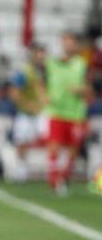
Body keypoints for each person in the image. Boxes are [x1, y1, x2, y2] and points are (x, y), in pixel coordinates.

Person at [45, 32, 90, 195]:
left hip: (76, 113)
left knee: (73, 149)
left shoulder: (82, 64)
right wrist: (43, 96)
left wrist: (81, 89)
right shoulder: (51, 63)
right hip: (56, 111)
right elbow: (41, 82)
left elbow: (89, 89)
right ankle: (53, 179)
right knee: (54, 146)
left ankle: (63, 178)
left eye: (71, 42)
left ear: (76, 45)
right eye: (65, 42)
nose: (68, 45)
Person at [10, 43, 48, 179]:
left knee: (50, 138)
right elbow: (14, 92)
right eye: (39, 54)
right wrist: (28, 105)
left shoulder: (47, 71)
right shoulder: (25, 72)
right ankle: (21, 169)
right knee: (22, 141)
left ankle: (50, 168)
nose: (42, 57)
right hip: (26, 113)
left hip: (43, 112)